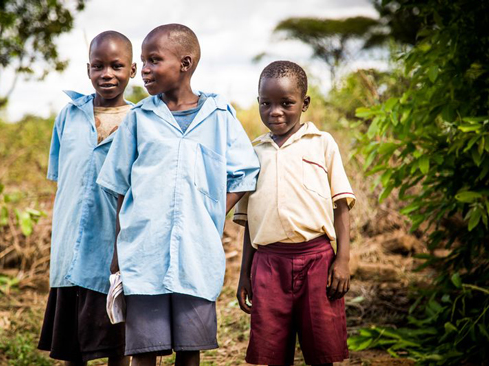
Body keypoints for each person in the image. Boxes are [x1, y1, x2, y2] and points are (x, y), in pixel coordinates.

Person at [97, 24, 260, 366]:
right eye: (142, 61)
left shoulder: (219, 116)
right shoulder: (140, 119)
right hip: (143, 255)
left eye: (154, 60)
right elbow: (119, 188)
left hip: (196, 255)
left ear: (185, 64)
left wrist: (215, 211)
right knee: (144, 350)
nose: (144, 69)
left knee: (190, 349)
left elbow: (244, 173)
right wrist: (117, 253)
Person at [234, 61, 355, 366]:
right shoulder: (254, 152)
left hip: (318, 261)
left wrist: (342, 260)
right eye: (266, 103)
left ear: (305, 103)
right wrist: (244, 274)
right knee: (271, 352)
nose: (275, 111)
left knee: (321, 351)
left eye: (286, 103)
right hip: (268, 264)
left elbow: (341, 206)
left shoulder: (322, 144)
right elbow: (249, 222)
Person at [38, 31, 136, 366]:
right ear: (88, 70)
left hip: (114, 252)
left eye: (117, 66)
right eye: (98, 66)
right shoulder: (68, 116)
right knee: (72, 346)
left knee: (117, 344)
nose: (107, 73)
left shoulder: (140, 121)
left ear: (133, 70)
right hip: (70, 251)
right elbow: (61, 181)